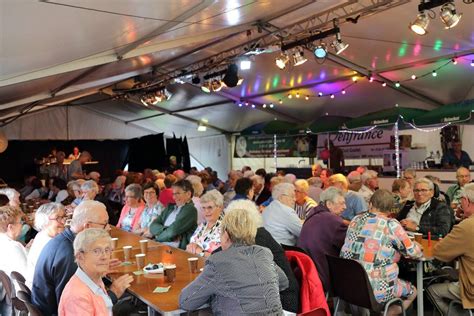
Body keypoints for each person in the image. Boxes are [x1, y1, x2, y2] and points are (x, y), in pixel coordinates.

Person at [179, 202, 288, 315]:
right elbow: (283, 282)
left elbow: (186, 301)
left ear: (225, 235)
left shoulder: (218, 261)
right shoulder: (263, 253)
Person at [32, 200, 133, 316]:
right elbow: (74, 306)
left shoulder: (65, 241)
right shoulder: (71, 256)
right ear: (88, 227)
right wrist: (113, 293)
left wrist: (93, 271)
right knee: (133, 308)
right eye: (104, 224)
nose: (109, 228)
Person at [340, 189, 422, 312]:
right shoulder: (391, 224)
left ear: (371, 204)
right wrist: (416, 246)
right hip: (376, 289)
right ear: (390, 209)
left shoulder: (356, 220)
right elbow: (412, 253)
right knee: (413, 291)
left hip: (349, 285)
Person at [427, 183, 474, 315]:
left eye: (461, 201)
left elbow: (439, 252)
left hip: (471, 288)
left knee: (432, 290)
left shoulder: (466, 227)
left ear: (466, 201)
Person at [297, 187, 348, 294]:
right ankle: (343, 310)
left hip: (304, 271)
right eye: (341, 203)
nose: (345, 207)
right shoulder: (334, 221)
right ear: (329, 204)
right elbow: (349, 246)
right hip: (322, 274)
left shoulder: (312, 215)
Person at [58, 228, 114, 315]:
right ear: (80, 256)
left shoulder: (94, 277)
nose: (105, 257)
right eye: (96, 251)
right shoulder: (77, 296)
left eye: (107, 250)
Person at [26, 203, 66, 287]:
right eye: (58, 218)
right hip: (42, 291)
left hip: (41, 287)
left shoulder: (41, 234)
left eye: (63, 217)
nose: (63, 221)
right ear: (44, 221)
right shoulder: (51, 244)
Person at [149, 180, 197, 249]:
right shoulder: (170, 207)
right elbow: (153, 226)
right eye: (173, 194)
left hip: (176, 250)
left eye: (177, 193)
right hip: (161, 246)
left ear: (188, 194)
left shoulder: (190, 210)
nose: (174, 197)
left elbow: (172, 231)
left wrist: (157, 238)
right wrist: (166, 230)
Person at [186, 190, 224, 257]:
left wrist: (201, 252)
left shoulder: (225, 227)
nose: (206, 211)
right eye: (203, 208)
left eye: (210, 207)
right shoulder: (203, 224)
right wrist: (190, 246)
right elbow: (193, 243)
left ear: (220, 208)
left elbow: (223, 258)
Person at [0, 205, 27, 280]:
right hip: (19, 288)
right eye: (20, 222)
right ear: (10, 227)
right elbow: (28, 276)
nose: (22, 225)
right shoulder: (14, 247)